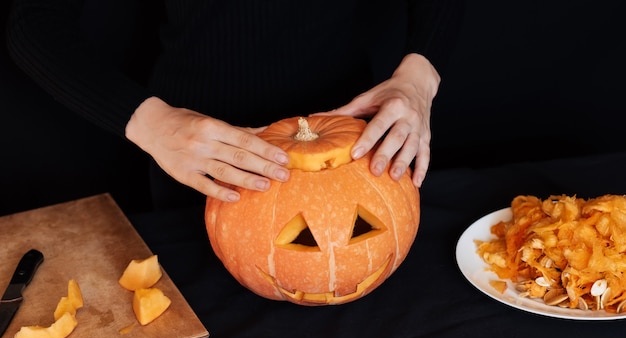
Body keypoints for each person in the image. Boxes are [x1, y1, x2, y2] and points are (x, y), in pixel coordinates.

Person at [7, 0, 464, 209]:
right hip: (199, 164)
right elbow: (34, 21)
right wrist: (152, 124)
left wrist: (420, 75)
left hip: (354, 149)